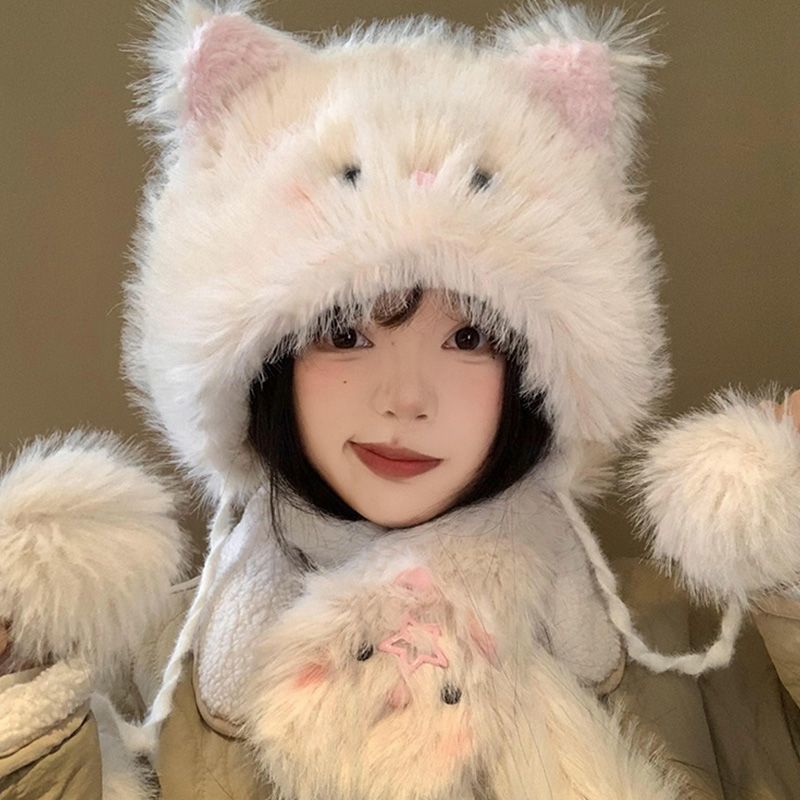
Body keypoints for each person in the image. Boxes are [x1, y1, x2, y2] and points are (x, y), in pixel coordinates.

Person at [1, 2, 799, 798]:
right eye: (345, 335)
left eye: (470, 338)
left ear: (541, 377)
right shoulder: (140, 676)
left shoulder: (693, 640)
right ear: (261, 367)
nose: (406, 398)